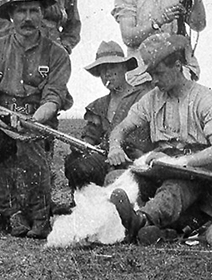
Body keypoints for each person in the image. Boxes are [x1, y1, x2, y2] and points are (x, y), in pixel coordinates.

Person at [0, 0, 72, 239]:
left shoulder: (57, 55)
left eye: (34, 10)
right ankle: (10, 213)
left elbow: (53, 100)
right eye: (21, 11)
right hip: (0, 126)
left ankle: (39, 217)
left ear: (42, 15)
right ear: (11, 16)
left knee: (29, 143)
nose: (27, 17)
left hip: (36, 125)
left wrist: (31, 120)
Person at [106, 33, 212, 244]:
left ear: (177, 65)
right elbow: (122, 128)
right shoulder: (152, 99)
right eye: (151, 75)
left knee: (174, 186)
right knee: (116, 179)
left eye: (159, 73)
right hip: (160, 169)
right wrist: (114, 147)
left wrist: (179, 162)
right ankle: (150, 229)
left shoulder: (207, 100)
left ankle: (141, 220)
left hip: (198, 175)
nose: (154, 81)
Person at [64, 41, 152, 192]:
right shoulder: (98, 106)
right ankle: (85, 206)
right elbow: (89, 138)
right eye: (102, 69)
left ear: (125, 67)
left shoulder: (143, 98)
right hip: (103, 160)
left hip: (134, 162)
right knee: (75, 164)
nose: (107, 73)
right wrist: (79, 145)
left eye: (112, 67)